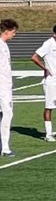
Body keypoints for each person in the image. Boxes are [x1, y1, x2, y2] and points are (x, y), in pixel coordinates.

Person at [0, 18, 18, 157]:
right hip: (2, 88)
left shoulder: (4, 45)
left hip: (6, 85)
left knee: (6, 114)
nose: (14, 35)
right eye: (13, 32)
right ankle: (5, 148)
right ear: (7, 31)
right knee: (8, 113)